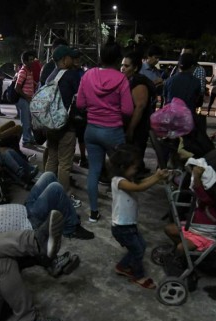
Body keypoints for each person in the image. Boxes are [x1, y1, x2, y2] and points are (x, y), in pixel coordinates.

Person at [76, 39, 134, 223]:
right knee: (120, 172)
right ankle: (121, 214)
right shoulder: (122, 79)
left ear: (101, 56)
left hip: (91, 130)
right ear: (118, 59)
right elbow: (127, 110)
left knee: (94, 170)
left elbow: (80, 104)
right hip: (113, 132)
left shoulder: (88, 75)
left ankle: (93, 213)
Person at [0, 171, 94, 241]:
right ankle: (70, 228)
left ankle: (66, 216)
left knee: (48, 176)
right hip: (29, 221)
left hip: (24, 209)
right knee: (55, 188)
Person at [109, 144, 169, 289]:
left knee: (140, 247)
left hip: (129, 224)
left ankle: (122, 267)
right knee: (138, 250)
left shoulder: (128, 178)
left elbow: (141, 182)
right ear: (123, 167)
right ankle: (138, 276)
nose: (136, 170)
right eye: (134, 168)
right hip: (121, 227)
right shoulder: (119, 181)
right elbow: (139, 188)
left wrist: (156, 176)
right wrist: (156, 178)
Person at [44, 45, 81, 200]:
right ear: (64, 59)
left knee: (52, 159)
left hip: (50, 124)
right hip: (66, 125)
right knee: (65, 164)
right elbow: (81, 99)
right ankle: (63, 197)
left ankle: (46, 191)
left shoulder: (51, 76)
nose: (74, 60)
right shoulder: (72, 75)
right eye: (71, 57)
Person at [121, 51, 155, 173]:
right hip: (135, 125)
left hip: (139, 126)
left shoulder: (138, 82)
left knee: (134, 153)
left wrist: (131, 129)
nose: (123, 68)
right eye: (122, 65)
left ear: (135, 68)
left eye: (126, 66)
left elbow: (140, 106)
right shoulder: (131, 80)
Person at [15, 51, 37, 147]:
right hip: (23, 100)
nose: (32, 62)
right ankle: (26, 141)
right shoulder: (23, 71)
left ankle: (30, 138)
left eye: (33, 59)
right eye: (30, 60)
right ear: (25, 61)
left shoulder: (29, 71)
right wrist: (26, 97)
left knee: (30, 121)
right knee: (26, 122)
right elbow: (17, 87)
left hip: (28, 100)